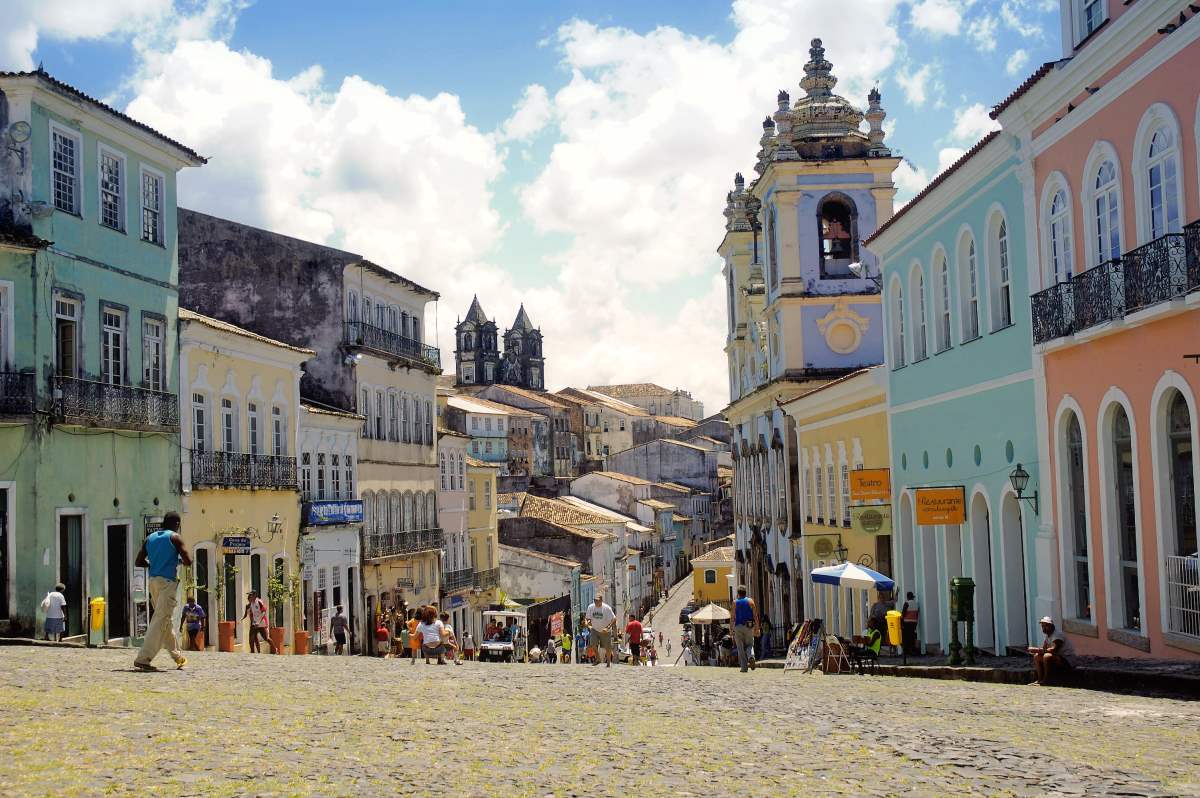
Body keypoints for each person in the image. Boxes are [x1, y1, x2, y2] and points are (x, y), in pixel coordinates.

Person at [133, 512, 191, 671]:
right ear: (177, 523)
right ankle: (143, 658)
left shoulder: (150, 538)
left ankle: (178, 656)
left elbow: (139, 561)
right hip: (167, 582)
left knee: (165, 619)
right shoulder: (175, 538)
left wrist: (152, 565)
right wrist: (177, 561)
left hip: (153, 582)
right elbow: (188, 560)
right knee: (160, 619)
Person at [1029, 616, 1074, 686]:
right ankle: (1039, 679)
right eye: (1043, 626)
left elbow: (1053, 649)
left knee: (1047, 656)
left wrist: (1037, 650)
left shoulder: (1057, 635)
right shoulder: (1048, 636)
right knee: (1037, 656)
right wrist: (1037, 651)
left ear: (1052, 626)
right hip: (1058, 658)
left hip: (1067, 660)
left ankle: (1047, 680)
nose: (1044, 628)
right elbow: (1044, 648)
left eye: (1046, 626)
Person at [732, 585, 760, 673]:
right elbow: (755, 615)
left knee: (740, 648)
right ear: (745, 593)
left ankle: (744, 667)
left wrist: (730, 628)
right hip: (749, 626)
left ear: (738, 594)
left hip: (738, 627)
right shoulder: (751, 601)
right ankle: (751, 655)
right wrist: (757, 628)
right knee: (750, 644)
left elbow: (732, 617)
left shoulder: (735, 602)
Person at [585, 595, 617, 668]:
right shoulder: (591, 607)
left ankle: (608, 662)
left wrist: (607, 627)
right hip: (594, 629)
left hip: (605, 631)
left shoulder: (606, 608)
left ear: (601, 600)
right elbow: (587, 618)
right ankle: (598, 658)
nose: (595, 602)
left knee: (607, 647)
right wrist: (587, 623)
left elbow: (614, 619)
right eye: (594, 600)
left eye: (597, 600)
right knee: (593, 644)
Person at [901, 591, 920, 656]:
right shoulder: (916, 604)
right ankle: (912, 650)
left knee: (906, 637)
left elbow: (903, 614)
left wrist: (901, 622)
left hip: (907, 623)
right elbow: (917, 613)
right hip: (914, 622)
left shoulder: (906, 604)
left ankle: (907, 651)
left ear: (907, 597)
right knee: (912, 636)